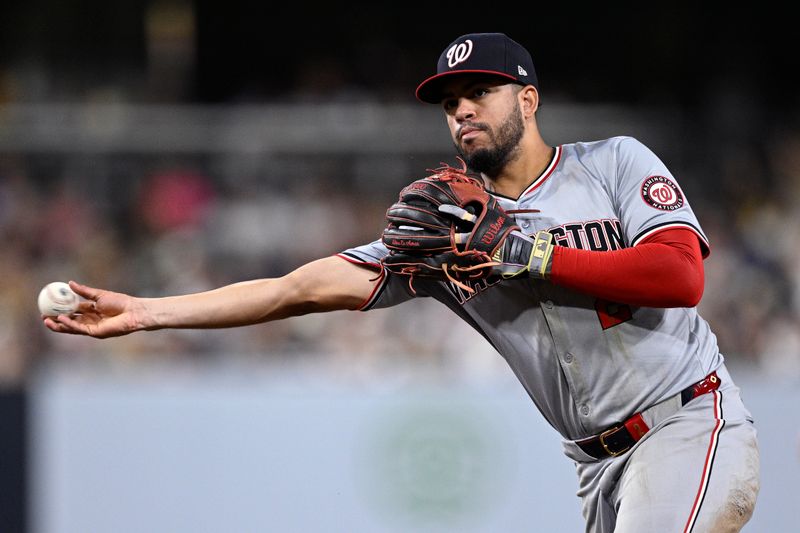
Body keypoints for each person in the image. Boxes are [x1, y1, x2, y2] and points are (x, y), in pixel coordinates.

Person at [43, 32, 759, 532]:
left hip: (685, 420)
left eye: (481, 90)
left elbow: (680, 274)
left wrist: (525, 251)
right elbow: (299, 288)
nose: (464, 110)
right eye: (451, 102)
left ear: (530, 99)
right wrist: (144, 312)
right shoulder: (445, 228)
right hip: (596, 463)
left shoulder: (612, 162)